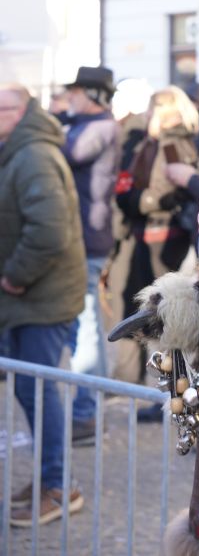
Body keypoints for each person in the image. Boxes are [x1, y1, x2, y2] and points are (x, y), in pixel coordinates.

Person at [0, 84, 86, 526]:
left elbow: (49, 230)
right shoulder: (18, 149)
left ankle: (59, 485)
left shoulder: (32, 153)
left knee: (39, 392)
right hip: (31, 298)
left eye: (3, 109)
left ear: (22, 111)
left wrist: (15, 276)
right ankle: (50, 478)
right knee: (30, 390)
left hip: (40, 297)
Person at [115, 85, 199, 415]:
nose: (147, 115)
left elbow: (170, 192)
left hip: (163, 236)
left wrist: (141, 201)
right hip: (151, 233)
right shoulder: (160, 143)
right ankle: (164, 388)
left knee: (164, 316)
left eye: (153, 109)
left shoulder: (170, 146)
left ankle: (171, 393)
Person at [59, 65, 121, 445]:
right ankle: (88, 411)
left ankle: (87, 413)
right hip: (85, 235)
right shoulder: (89, 123)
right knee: (85, 325)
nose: (70, 99)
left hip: (89, 236)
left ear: (94, 95)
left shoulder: (98, 128)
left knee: (85, 327)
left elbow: (72, 152)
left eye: (77, 92)